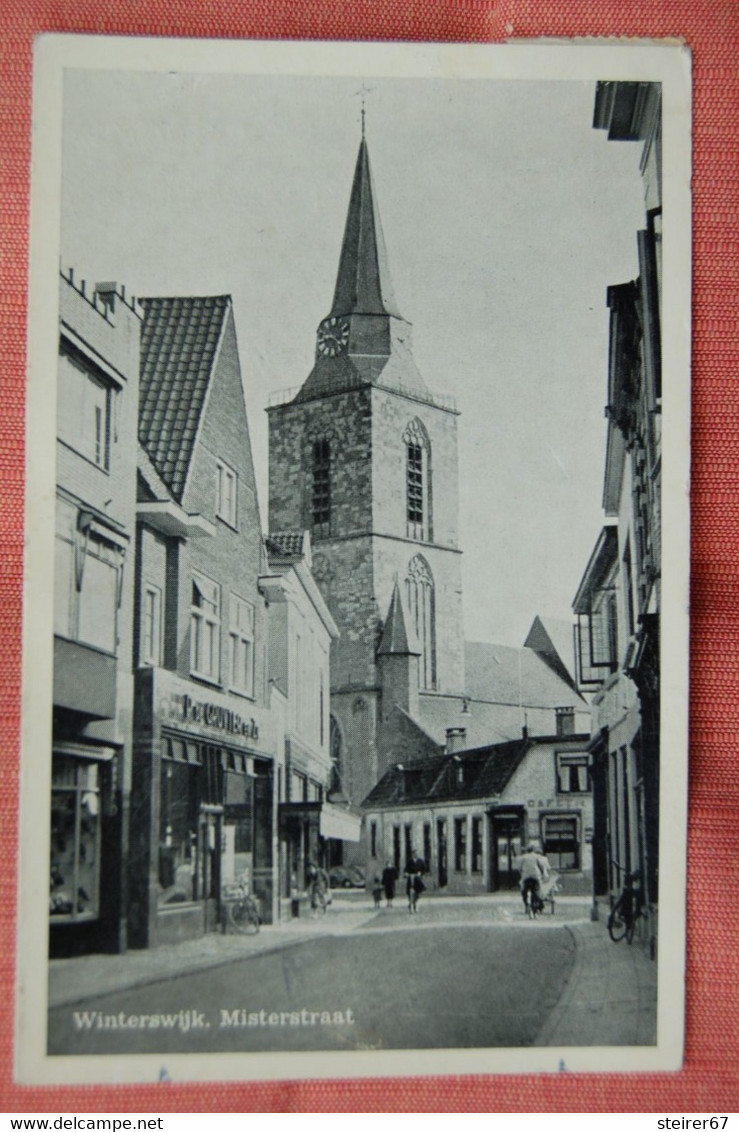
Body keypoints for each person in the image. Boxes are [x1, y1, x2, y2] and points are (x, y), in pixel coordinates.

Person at [519, 841, 550, 915]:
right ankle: (538, 905)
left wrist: (522, 874)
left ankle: (526, 904)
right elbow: (541, 866)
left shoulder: (523, 857)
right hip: (535, 876)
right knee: (537, 891)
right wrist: (542, 873)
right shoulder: (537, 856)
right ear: (533, 849)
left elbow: (519, 868)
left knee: (524, 891)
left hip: (526, 877)